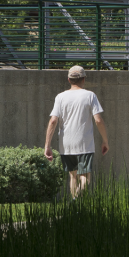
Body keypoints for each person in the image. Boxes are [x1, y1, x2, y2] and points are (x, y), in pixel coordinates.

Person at [44, 65, 109, 199]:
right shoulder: (90, 95)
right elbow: (98, 120)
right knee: (85, 177)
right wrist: (105, 140)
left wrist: (47, 145)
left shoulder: (60, 97)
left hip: (66, 143)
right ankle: (76, 201)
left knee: (72, 176)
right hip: (85, 143)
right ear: (84, 79)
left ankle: (75, 209)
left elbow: (53, 121)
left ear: (69, 79)